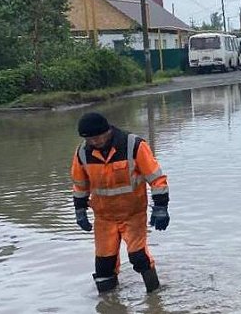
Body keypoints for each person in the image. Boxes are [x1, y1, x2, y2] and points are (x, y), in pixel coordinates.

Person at [70, 112, 170, 293]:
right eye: (90, 139)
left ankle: (155, 298)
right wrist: (80, 211)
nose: (95, 142)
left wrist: (161, 207)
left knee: (139, 257)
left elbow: (156, 178)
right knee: (103, 265)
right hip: (104, 218)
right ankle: (109, 302)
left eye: (98, 137)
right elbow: (80, 185)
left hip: (133, 215)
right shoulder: (83, 153)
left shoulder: (133, 145)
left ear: (107, 131)